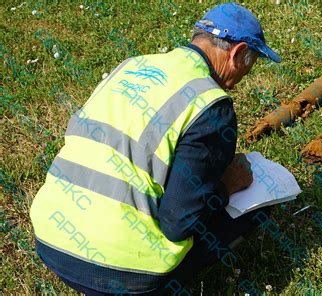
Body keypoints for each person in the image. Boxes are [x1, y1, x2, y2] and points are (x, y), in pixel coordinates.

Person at [29, 2, 281, 295]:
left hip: (49, 243)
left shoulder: (130, 66)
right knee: (255, 209)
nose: (243, 78)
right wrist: (227, 186)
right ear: (238, 54)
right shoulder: (212, 107)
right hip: (121, 275)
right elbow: (179, 224)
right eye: (252, 63)